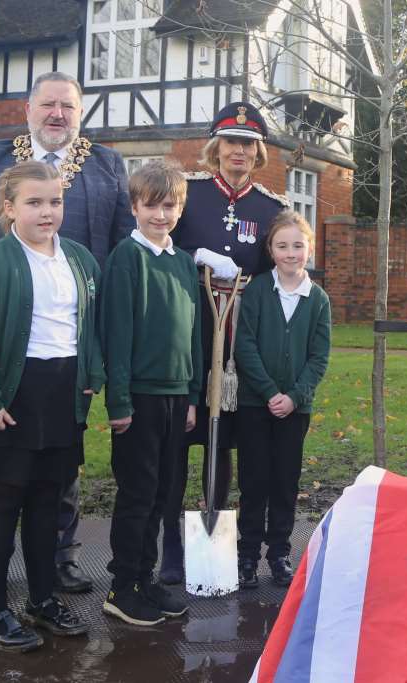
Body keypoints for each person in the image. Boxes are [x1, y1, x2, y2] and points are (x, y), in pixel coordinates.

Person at [0, 71, 133, 597]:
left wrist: (110, 341)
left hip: (71, 338)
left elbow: (118, 252)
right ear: (28, 108)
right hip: (3, 331)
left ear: (80, 112)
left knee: (61, 452)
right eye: (47, 104)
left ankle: (60, 556)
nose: (57, 114)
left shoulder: (106, 163)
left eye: (67, 106)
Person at [0, 161, 100, 652]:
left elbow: (90, 327)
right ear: (9, 207)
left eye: (54, 201)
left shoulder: (79, 259)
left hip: (61, 397)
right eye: (34, 202)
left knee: (46, 506)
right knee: (0, 509)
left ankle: (41, 599)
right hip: (10, 399)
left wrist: (90, 380)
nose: (46, 211)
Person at [159, 102, 291, 584]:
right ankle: (171, 546)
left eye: (248, 144)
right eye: (231, 142)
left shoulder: (270, 208)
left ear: (258, 152)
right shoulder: (188, 195)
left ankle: (218, 535)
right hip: (190, 330)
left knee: (226, 442)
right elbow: (160, 239)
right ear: (216, 148)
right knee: (179, 435)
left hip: (241, 341)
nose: (239, 151)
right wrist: (200, 256)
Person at [100, 161, 201, 625]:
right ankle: (124, 586)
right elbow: (116, 335)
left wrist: (193, 395)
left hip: (177, 396)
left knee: (164, 492)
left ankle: (147, 580)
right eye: (152, 206)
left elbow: (195, 335)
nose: (161, 215)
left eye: (170, 206)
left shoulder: (183, 264)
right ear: (135, 207)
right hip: (138, 396)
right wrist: (118, 401)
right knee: (137, 492)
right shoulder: (127, 258)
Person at [233, 209, 331, 588]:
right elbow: (245, 346)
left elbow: (319, 357)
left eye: (297, 246)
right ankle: (246, 555)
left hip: (295, 409)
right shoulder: (257, 290)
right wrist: (269, 392)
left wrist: (293, 396)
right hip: (255, 405)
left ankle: (279, 554)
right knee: (254, 481)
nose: (290, 253)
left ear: (309, 249)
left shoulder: (318, 299)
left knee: (285, 482)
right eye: (282, 246)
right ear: (271, 250)